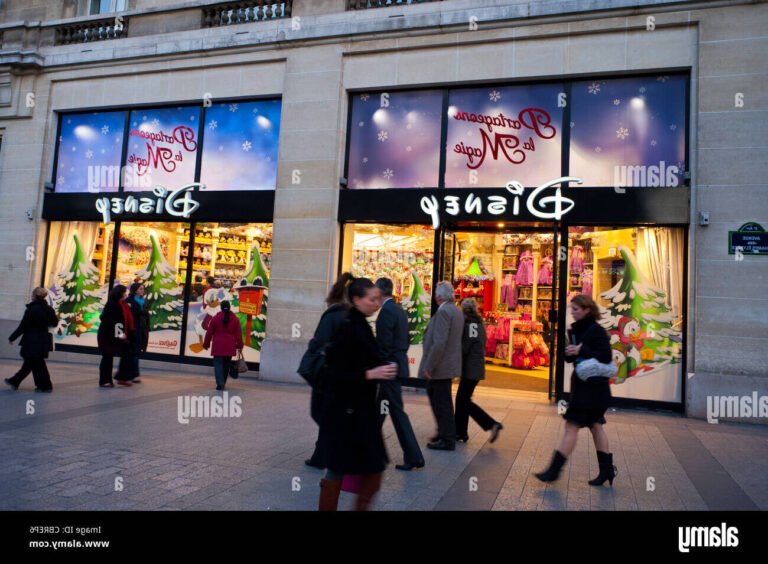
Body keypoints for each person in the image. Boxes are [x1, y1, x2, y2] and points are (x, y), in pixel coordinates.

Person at [317, 276, 397, 511]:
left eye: (378, 299)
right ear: (357, 299)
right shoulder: (348, 327)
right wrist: (371, 374)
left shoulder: (360, 324)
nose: (376, 303)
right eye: (372, 299)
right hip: (347, 412)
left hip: (357, 411)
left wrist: (383, 366)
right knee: (364, 467)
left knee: (347, 467)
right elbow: (337, 374)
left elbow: (368, 357)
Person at [535, 294, 617, 486]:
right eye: (571, 309)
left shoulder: (596, 330)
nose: (572, 312)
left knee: (571, 426)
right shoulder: (574, 330)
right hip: (586, 388)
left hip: (591, 391)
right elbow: (571, 357)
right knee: (596, 426)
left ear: (587, 310)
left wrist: (581, 350)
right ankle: (606, 471)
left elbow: (605, 357)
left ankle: (554, 471)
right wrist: (569, 352)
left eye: (576, 309)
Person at [374, 277, 424, 471]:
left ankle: (414, 456)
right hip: (397, 365)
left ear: (380, 291)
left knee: (396, 412)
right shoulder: (399, 309)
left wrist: (380, 364)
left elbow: (384, 343)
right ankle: (369, 450)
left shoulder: (386, 311)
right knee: (380, 411)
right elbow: (405, 339)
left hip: (389, 369)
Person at [304, 273, 352, 470]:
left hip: (327, 373)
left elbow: (319, 341)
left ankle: (324, 454)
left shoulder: (333, 314)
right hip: (343, 373)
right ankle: (323, 452)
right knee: (329, 413)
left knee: (320, 412)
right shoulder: (351, 315)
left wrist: (313, 345)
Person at [418, 280, 464, 451]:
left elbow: (440, 342)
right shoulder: (456, 311)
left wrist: (429, 366)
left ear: (438, 296)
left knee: (441, 401)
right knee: (441, 399)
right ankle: (444, 433)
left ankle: (447, 438)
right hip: (447, 364)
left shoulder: (444, 312)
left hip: (441, 366)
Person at [455, 298, 503, 443]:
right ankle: (461, 433)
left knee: (463, 400)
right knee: (462, 400)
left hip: (471, 369)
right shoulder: (479, 323)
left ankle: (491, 424)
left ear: (464, 310)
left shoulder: (470, 325)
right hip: (474, 368)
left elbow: (465, 348)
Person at [5, 287, 58, 392]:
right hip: (43, 341)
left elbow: (23, 326)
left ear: (35, 295)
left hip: (31, 341)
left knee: (32, 362)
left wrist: (12, 337)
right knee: (34, 362)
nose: (31, 296)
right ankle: (17, 381)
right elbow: (54, 323)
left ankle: (45, 386)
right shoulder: (49, 309)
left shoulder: (31, 309)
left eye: (32, 294)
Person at [97, 285, 135, 387]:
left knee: (127, 354)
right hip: (108, 336)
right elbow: (111, 321)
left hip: (119, 334)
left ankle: (123, 377)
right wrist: (120, 333)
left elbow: (122, 319)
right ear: (120, 293)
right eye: (124, 292)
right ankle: (105, 380)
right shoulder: (112, 304)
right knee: (107, 357)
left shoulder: (123, 304)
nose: (126, 294)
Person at [203, 300, 243, 391]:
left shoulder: (215, 318)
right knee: (226, 366)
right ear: (229, 307)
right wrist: (240, 345)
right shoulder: (235, 319)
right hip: (229, 346)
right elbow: (238, 334)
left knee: (218, 365)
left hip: (218, 345)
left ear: (221, 308)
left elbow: (209, 332)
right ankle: (223, 382)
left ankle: (220, 383)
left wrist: (206, 344)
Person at [126, 282, 150, 383]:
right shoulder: (129, 301)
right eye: (140, 289)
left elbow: (147, 316)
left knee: (137, 352)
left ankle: (130, 374)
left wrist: (148, 328)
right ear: (135, 290)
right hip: (132, 329)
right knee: (134, 352)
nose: (142, 291)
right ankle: (134, 374)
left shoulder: (144, 301)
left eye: (143, 289)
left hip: (142, 329)